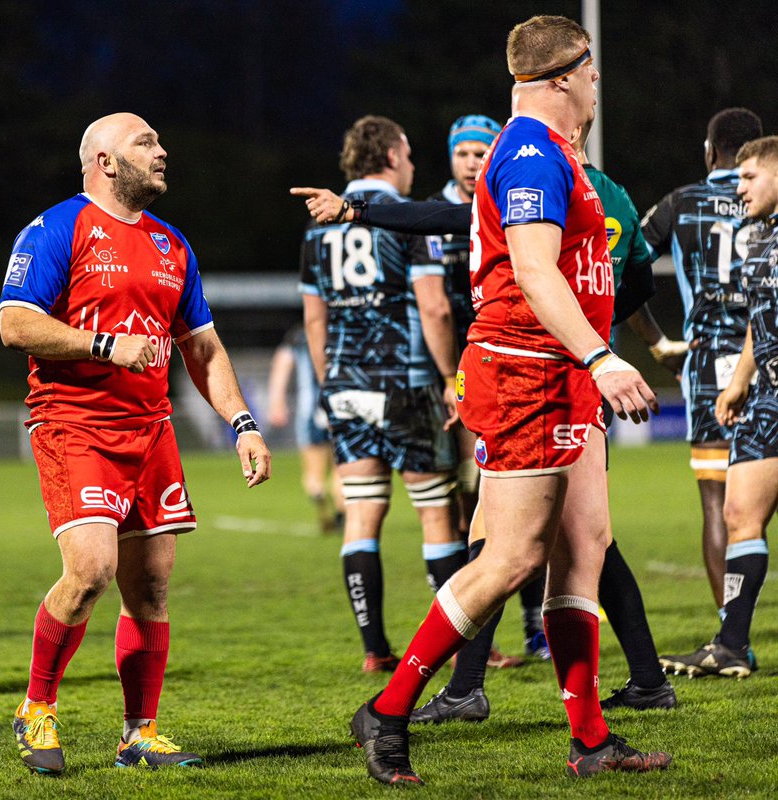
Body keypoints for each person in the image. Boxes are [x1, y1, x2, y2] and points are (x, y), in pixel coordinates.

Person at [341, 16, 671, 784]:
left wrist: (592, 362)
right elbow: (532, 269)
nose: (597, 85)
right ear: (562, 76)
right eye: (590, 74)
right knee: (514, 555)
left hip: (568, 377)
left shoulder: (561, 153)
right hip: (529, 372)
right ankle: (388, 712)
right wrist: (600, 354)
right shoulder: (528, 152)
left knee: (583, 551)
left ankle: (589, 739)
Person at [293, 116, 677, 718]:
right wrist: (358, 212)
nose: (479, 161)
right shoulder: (566, 182)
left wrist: (592, 343)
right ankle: (580, 708)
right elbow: (452, 220)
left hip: (543, 377)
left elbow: (610, 278)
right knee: (558, 541)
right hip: (543, 376)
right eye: (466, 152)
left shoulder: (554, 179)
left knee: (535, 546)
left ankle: (411, 702)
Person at [0, 112, 271, 774]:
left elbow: (201, 347)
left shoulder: (173, 245)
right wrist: (103, 345)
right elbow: (15, 322)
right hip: (73, 420)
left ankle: (138, 734)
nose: (163, 150)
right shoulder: (56, 228)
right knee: (91, 570)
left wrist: (243, 423)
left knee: (149, 590)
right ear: (105, 162)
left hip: (150, 432)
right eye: (145, 142)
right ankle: (35, 709)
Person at [300, 115, 466, 675]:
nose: (414, 165)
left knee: (362, 517)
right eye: (411, 154)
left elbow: (314, 318)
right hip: (407, 383)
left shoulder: (317, 228)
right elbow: (435, 307)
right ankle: (458, 650)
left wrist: (330, 385)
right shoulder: (405, 220)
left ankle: (375, 650)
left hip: (346, 388)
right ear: (394, 155)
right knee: (437, 515)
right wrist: (449, 378)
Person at [659, 136, 778, 678]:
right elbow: (761, 321)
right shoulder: (758, 239)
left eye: (750, 177)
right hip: (765, 395)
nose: (740, 187)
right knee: (737, 511)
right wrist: (739, 384)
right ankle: (731, 646)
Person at [641, 107, 764, 613]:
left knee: (717, 503)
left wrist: (655, 341)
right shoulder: (768, 195)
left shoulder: (682, 203)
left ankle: (730, 629)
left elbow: (622, 271)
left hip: (710, 364)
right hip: (767, 359)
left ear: (710, 151)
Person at [432, 114, 541, 666]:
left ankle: (526, 626)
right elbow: (433, 309)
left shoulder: (506, 203)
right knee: (467, 510)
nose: (474, 162)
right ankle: (471, 647)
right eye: (464, 153)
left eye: (483, 152)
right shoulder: (441, 217)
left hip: (500, 369)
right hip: (462, 375)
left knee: (506, 507)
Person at [266, 325, 342, 533]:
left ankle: (317, 491)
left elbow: (280, 370)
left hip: (310, 412)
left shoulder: (297, 340)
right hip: (339, 406)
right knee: (341, 469)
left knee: (313, 473)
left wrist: (277, 403)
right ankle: (341, 512)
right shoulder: (339, 332)